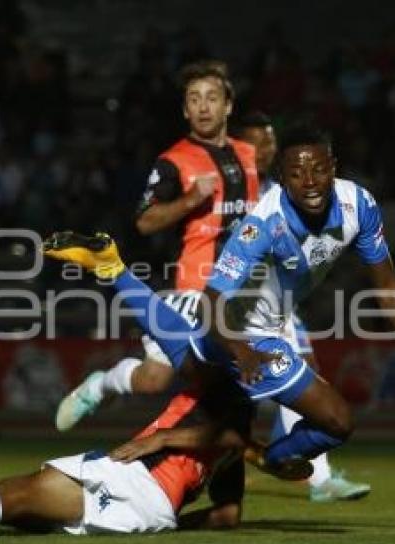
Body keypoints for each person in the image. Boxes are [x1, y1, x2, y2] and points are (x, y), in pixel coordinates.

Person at [42, 121, 395, 471]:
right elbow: (212, 300)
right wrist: (243, 350)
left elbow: (387, 285)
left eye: (319, 169)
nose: (309, 181)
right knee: (338, 421)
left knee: (190, 365)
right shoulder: (262, 224)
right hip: (243, 333)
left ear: (334, 166)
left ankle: (111, 269)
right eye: (295, 173)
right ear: (282, 180)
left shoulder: (358, 205)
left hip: (251, 329)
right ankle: (272, 456)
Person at [0, 361, 311, 540]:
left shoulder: (228, 405)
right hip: (142, 498)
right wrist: (165, 525)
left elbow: (229, 438)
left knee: (17, 495)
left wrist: (162, 440)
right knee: (17, 512)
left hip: (136, 483)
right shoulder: (234, 428)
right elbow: (227, 516)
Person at [55, 59, 261, 432]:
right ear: (185, 110)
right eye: (194, 99)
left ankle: (317, 475)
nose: (203, 106)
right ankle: (102, 384)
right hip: (196, 288)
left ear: (228, 106)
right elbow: (144, 221)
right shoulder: (174, 161)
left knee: (277, 362)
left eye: (211, 98)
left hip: (248, 287)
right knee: (157, 380)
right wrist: (188, 201)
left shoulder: (248, 155)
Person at [232, 110, 370, 502]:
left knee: (308, 375)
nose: (264, 150)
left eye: (269, 142)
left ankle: (318, 477)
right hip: (233, 309)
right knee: (193, 386)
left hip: (279, 306)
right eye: (255, 143)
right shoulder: (227, 188)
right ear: (238, 148)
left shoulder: (292, 185)